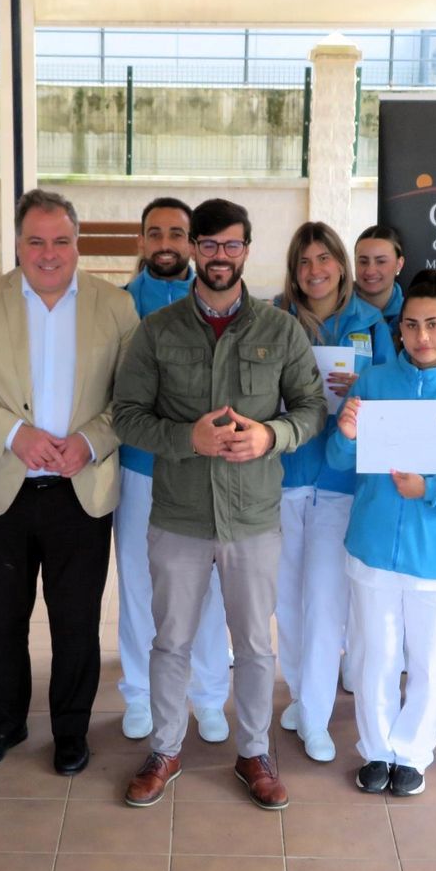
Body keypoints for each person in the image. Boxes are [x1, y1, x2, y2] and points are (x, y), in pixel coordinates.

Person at [113, 197, 328, 810]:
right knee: (170, 641)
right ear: (193, 252)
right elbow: (127, 416)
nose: (219, 256)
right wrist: (187, 438)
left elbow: (310, 410)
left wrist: (270, 435)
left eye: (232, 245)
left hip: (254, 518)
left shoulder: (280, 330)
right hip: (178, 515)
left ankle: (254, 752)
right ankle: (164, 749)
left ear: (246, 251)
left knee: (256, 646)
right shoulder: (157, 332)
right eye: (208, 246)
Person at [0, 188, 136, 777]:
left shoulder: (114, 306)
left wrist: (91, 441)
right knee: (1, 620)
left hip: (82, 490)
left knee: (76, 623)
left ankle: (71, 731)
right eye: (35, 241)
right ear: (18, 244)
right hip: (3, 490)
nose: (49, 253)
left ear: (79, 244)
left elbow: (133, 398)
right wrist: (15, 434)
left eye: (62, 241)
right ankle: (5, 723)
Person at [328, 270, 436, 796]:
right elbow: (342, 462)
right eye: (411, 325)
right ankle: (377, 749)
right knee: (377, 657)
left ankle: (412, 754)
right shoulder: (376, 383)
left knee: (428, 661)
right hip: (374, 546)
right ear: (398, 330)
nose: (421, 336)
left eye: (433, 324)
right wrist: (345, 432)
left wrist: (430, 488)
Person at [112, 197, 234, 743]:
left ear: (191, 244)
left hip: (204, 468)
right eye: (154, 233)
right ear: (141, 242)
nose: (165, 243)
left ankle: (209, 695)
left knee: (205, 585)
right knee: (141, 585)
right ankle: (139, 691)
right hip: (140, 467)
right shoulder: (116, 308)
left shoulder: (213, 306)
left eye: (177, 234)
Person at [273, 220, 392, 763]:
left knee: (325, 602)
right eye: (304, 262)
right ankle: (301, 693)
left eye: (324, 259)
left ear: (341, 266)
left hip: (343, 483)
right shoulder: (272, 319)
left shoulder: (371, 324)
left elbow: (393, 397)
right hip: (282, 478)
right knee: (287, 600)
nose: (315, 270)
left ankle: (317, 717)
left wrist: (360, 391)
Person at [353, 224, 406, 333]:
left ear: (399, 264)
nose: (370, 271)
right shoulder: (337, 310)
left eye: (381, 261)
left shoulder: (411, 315)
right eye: (363, 262)